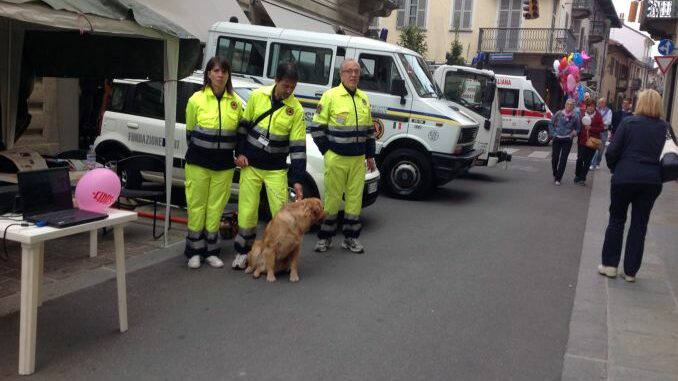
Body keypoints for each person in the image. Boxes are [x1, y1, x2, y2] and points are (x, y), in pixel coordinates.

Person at [232, 61, 306, 269]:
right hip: (251, 166)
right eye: (285, 86)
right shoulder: (257, 96)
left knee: (282, 214)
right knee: (247, 211)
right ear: (276, 81)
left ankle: (279, 256)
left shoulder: (296, 109)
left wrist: (298, 179)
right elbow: (243, 128)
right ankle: (243, 253)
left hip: (276, 169)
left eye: (293, 87)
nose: (289, 91)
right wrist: (240, 153)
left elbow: (298, 147)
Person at [598, 89, 668, 282]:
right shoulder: (664, 127)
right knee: (640, 224)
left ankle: (610, 265)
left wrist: (616, 169)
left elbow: (611, 152)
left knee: (617, 220)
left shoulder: (628, 123)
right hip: (651, 180)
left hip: (625, 177)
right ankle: (630, 271)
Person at [311, 59, 376, 254]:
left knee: (355, 200)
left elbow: (369, 131)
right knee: (332, 199)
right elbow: (316, 128)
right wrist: (328, 152)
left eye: (356, 71)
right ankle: (325, 238)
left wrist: (370, 155)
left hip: (358, 160)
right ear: (341, 75)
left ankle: (351, 238)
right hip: (336, 158)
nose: (353, 75)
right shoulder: (330, 96)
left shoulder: (363, 98)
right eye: (349, 71)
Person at [184, 57, 242, 269]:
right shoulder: (196, 100)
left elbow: (239, 134)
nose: (220, 75)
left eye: (224, 72)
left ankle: (211, 251)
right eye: (216, 71)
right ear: (208, 73)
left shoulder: (235, 103)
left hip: (224, 165)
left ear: (228, 76)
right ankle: (194, 252)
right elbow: (190, 132)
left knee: (215, 208)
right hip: (198, 162)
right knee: (197, 207)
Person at [549, 98, 580, 185]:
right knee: (555, 158)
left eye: (571, 105)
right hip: (557, 138)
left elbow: (578, 128)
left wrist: (575, 132)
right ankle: (555, 172)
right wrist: (553, 133)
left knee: (563, 159)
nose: (569, 106)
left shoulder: (575, 116)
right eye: (567, 104)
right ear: (565, 105)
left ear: (573, 107)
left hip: (567, 139)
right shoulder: (559, 113)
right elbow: (551, 123)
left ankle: (558, 178)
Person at [574, 99, 604, 185]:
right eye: (589, 106)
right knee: (580, 158)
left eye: (592, 106)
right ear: (586, 106)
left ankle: (583, 178)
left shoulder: (598, 116)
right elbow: (577, 125)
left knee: (587, 161)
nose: (591, 108)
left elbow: (602, 128)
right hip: (582, 140)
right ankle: (577, 174)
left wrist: (591, 128)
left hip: (592, 141)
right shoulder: (582, 114)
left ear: (595, 107)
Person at [590, 97, 612, 170]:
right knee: (594, 147)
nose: (599, 104)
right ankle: (592, 163)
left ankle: (598, 163)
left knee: (600, 149)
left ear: (604, 103)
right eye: (599, 102)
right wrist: (601, 122)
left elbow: (609, 121)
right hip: (596, 131)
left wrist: (599, 123)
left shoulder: (609, 111)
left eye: (601, 102)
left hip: (603, 132)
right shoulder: (596, 110)